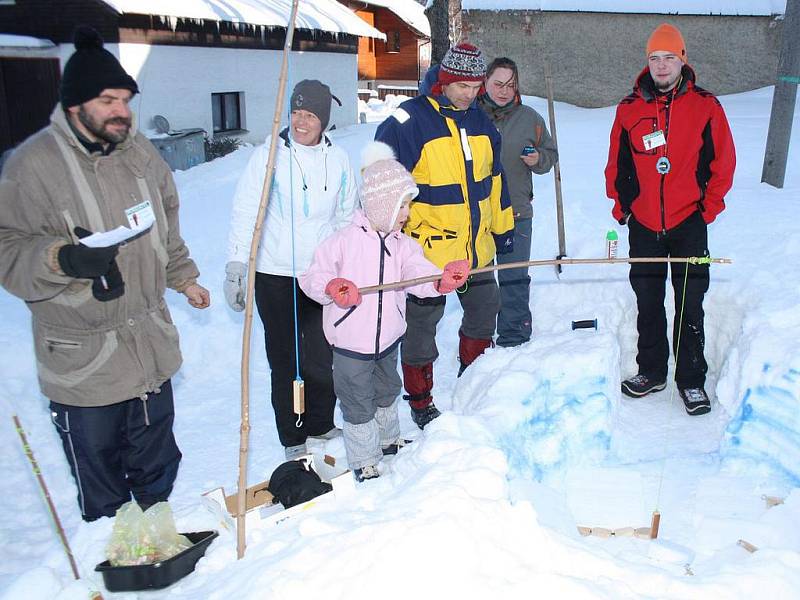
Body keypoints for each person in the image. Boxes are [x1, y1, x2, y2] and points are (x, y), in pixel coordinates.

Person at [0, 27, 210, 521]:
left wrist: (184, 277)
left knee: (157, 467)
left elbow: (167, 223)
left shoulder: (140, 155)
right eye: (108, 100)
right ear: (75, 106)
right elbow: (7, 252)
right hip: (84, 362)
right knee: (105, 485)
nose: (122, 111)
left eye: (126, 100)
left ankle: (156, 549)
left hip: (150, 349)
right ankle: (117, 569)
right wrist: (62, 259)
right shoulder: (32, 166)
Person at [299, 142, 469, 481]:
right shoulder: (342, 242)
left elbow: (417, 274)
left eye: (408, 204)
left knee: (387, 390)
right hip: (351, 344)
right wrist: (332, 286)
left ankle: (389, 441)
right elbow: (312, 277)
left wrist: (440, 281)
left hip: (388, 340)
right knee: (356, 400)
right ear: (381, 205)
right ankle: (364, 458)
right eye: (403, 205)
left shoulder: (404, 246)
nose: (408, 213)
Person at [375, 43, 514, 429]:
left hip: (476, 248)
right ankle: (420, 401)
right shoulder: (410, 121)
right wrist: (387, 238)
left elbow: (495, 182)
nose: (471, 94)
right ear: (446, 81)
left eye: (476, 87)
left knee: (485, 312)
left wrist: (502, 230)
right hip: (429, 252)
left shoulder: (482, 122)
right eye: (463, 86)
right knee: (421, 328)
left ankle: (473, 384)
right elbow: (381, 182)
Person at [604, 23, 735, 415]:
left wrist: (707, 210)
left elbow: (722, 164)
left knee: (690, 303)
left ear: (683, 59)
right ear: (648, 62)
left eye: (669, 58)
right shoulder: (629, 108)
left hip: (689, 225)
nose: (661, 66)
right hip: (644, 225)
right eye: (654, 58)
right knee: (648, 301)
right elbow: (617, 163)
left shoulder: (706, 106)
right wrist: (622, 207)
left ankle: (691, 380)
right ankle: (652, 371)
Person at [225, 80, 358, 459]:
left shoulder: (339, 160)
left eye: (310, 114)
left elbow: (347, 215)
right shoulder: (269, 157)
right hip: (275, 273)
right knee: (285, 359)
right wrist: (237, 264)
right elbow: (246, 210)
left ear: (324, 120)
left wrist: (347, 262)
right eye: (296, 112)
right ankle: (293, 437)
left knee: (322, 354)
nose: (301, 121)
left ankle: (319, 424)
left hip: (321, 275)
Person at [479, 57, 558, 347]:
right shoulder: (471, 116)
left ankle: (514, 337)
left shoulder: (530, 118)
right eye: (497, 84)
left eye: (510, 85)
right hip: (478, 216)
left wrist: (539, 159)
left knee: (513, 278)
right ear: (485, 83)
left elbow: (550, 155)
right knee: (481, 282)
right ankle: (478, 339)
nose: (503, 91)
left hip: (516, 212)